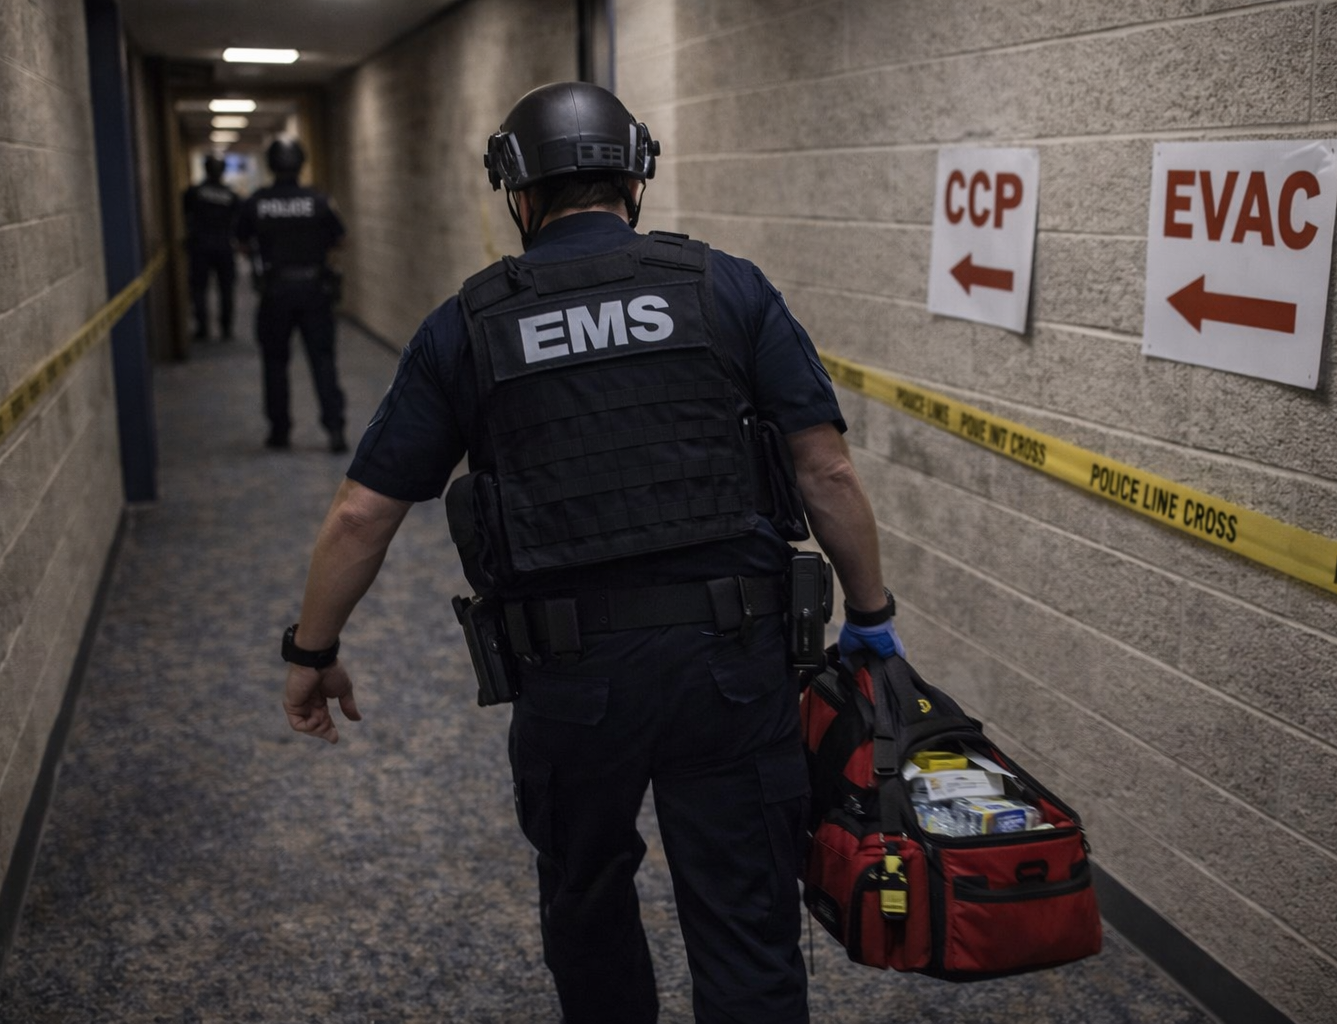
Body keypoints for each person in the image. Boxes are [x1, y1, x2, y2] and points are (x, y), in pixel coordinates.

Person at [277, 82, 905, 1024]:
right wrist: (872, 619)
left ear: (517, 193)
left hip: (571, 676)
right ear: (635, 177)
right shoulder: (727, 286)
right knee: (746, 915)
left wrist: (312, 652)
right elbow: (828, 474)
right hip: (732, 667)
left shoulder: (470, 324)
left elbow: (362, 516)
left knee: (587, 896)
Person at [235, 137, 348, 452]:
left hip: (276, 291)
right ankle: (336, 428)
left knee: (274, 362)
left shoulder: (257, 202)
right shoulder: (319, 200)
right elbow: (340, 239)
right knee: (323, 360)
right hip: (315, 289)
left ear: (271, 165)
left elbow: (242, 244)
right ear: (301, 163)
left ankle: (280, 431)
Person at [182, 153, 240, 341]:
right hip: (224, 246)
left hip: (200, 247)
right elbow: (238, 222)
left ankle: (203, 328)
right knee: (226, 288)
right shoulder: (231, 195)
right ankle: (226, 328)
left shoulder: (193, 193)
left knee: (200, 289)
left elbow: (183, 216)